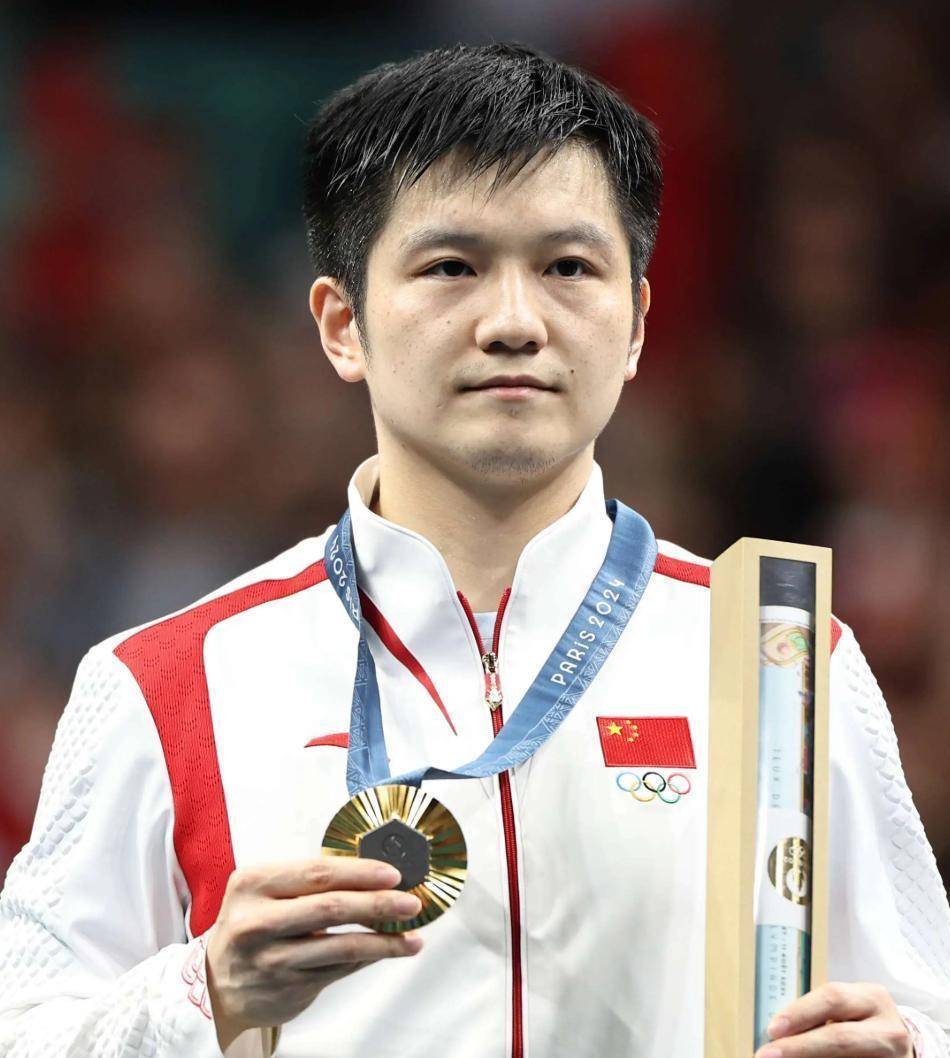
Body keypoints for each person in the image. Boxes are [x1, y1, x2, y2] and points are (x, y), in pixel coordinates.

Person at [1, 41, 948, 1058]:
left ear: (636, 324)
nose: (513, 322)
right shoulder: (164, 685)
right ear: (341, 325)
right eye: (451, 267)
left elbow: (921, 1011)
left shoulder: (780, 664)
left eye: (567, 267)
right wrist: (208, 994)